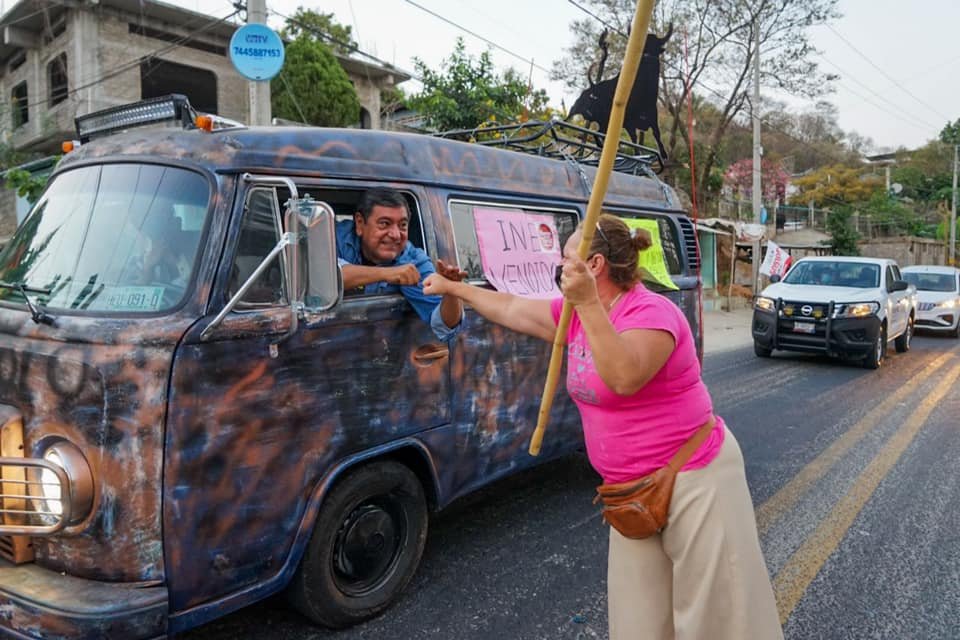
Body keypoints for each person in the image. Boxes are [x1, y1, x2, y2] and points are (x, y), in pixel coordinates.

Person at [423, 214, 783, 640]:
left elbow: (623, 376)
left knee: (718, 622)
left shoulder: (653, 313)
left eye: (566, 258)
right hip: (629, 492)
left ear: (594, 265)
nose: (559, 267)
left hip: (695, 479)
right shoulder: (574, 314)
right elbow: (512, 308)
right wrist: (455, 289)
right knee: (639, 625)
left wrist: (588, 304)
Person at [336, 188, 465, 340]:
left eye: (403, 225)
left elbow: (444, 326)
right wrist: (388, 274)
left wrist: (451, 292)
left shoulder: (413, 261)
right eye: (384, 224)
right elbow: (323, 276)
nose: (396, 235)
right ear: (359, 223)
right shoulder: (333, 236)